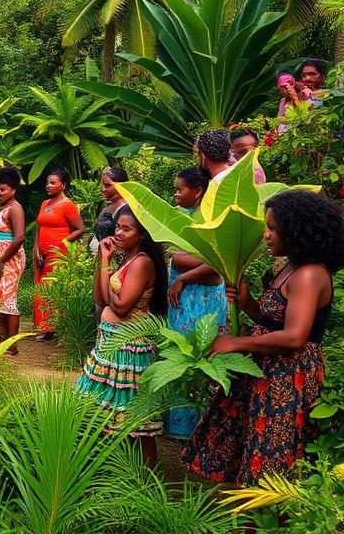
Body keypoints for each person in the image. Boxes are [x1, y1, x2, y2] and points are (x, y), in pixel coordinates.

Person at [184, 191, 344, 485]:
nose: (266, 235)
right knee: (252, 448)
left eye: (273, 229)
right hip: (267, 372)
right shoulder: (290, 267)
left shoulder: (309, 274)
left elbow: (295, 337)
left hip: (287, 376)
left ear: (296, 231)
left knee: (273, 456)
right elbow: (272, 322)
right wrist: (248, 303)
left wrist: (236, 343)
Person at [76, 207, 170, 466]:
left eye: (126, 229)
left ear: (142, 235)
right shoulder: (128, 259)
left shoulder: (141, 262)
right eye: (118, 227)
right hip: (111, 345)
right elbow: (102, 299)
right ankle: (122, 470)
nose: (118, 232)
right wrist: (104, 261)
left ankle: (145, 480)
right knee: (112, 413)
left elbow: (120, 306)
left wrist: (108, 273)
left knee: (135, 419)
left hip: (129, 348)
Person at [164, 166, 227, 439]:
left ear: (198, 191)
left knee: (197, 358)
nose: (176, 194)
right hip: (184, 299)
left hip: (202, 300)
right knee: (177, 357)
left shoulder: (210, 219)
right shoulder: (183, 216)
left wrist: (183, 276)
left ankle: (194, 427)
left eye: (181, 189)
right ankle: (175, 423)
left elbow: (216, 265)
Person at [34, 169, 86, 340]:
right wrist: (35, 248)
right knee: (41, 287)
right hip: (41, 253)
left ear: (63, 185)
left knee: (51, 288)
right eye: (48, 182)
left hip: (57, 253)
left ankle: (52, 327)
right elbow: (39, 226)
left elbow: (80, 229)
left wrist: (62, 244)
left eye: (53, 182)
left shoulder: (68, 205)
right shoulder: (44, 203)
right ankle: (44, 325)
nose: (48, 185)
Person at [0, 165, 27, 346]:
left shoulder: (15, 208)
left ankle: (12, 346)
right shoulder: (2, 208)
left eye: (2, 189)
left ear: (13, 190)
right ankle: (1, 342)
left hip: (8, 259)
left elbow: (19, 237)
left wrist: (2, 261)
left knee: (9, 299)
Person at [90, 168, 129, 253]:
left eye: (107, 186)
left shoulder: (127, 211)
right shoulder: (107, 208)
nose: (103, 189)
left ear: (121, 186)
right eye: (103, 185)